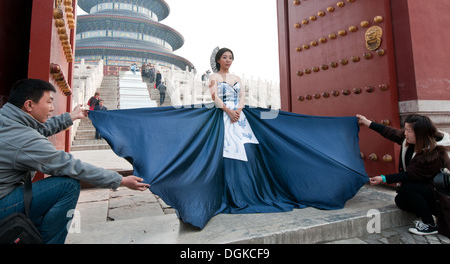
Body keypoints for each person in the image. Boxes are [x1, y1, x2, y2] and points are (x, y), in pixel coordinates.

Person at [88, 47, 368, 229]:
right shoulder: (213, 77)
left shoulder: (236, 77)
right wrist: (228, 112)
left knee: (251, 156)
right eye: (225, 57)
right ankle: (224, 194)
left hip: (241, 119)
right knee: (224, 157)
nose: (229, 61)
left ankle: (253, 192)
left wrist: (239, 110)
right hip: (223, 119)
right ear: (218, 60)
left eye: (231, 57)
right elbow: (214, 99)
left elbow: (242, 97)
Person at [0, 79, 149, 244]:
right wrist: (120, 180)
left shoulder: (8, 120)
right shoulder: (23, 139)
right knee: (67, 185)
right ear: (29, 105)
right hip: (3, 204)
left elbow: (40, 129)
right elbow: (70, 166)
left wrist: (71, 116)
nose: (52, 108)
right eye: (49, 102)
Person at [357, 113, 450, 235]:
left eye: (408, 131)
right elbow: (389, 132)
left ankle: (430, 224)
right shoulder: (410, 140)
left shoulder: (434, 153)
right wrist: (366, 121)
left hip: (438, 194)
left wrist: (383, 178)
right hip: (423, 188)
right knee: (401, 200)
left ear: (420, 133)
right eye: (405, 129)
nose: (405, 133)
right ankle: (429, 213)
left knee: (409, 188)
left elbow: (410, 175)